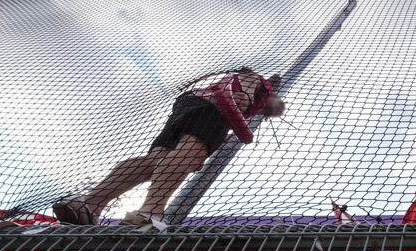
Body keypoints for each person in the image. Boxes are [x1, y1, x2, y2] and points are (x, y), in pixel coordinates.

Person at [53, 68, 284, 227]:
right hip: (215, 107)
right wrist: (243, 93)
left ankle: (89, 204)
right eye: (277, 107)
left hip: (189, 104)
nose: (274, 112)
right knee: (190, 152)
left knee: (155, 161)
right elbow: (250, 79)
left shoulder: (239, 99)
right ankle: (149, 213)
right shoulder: (260, 86)